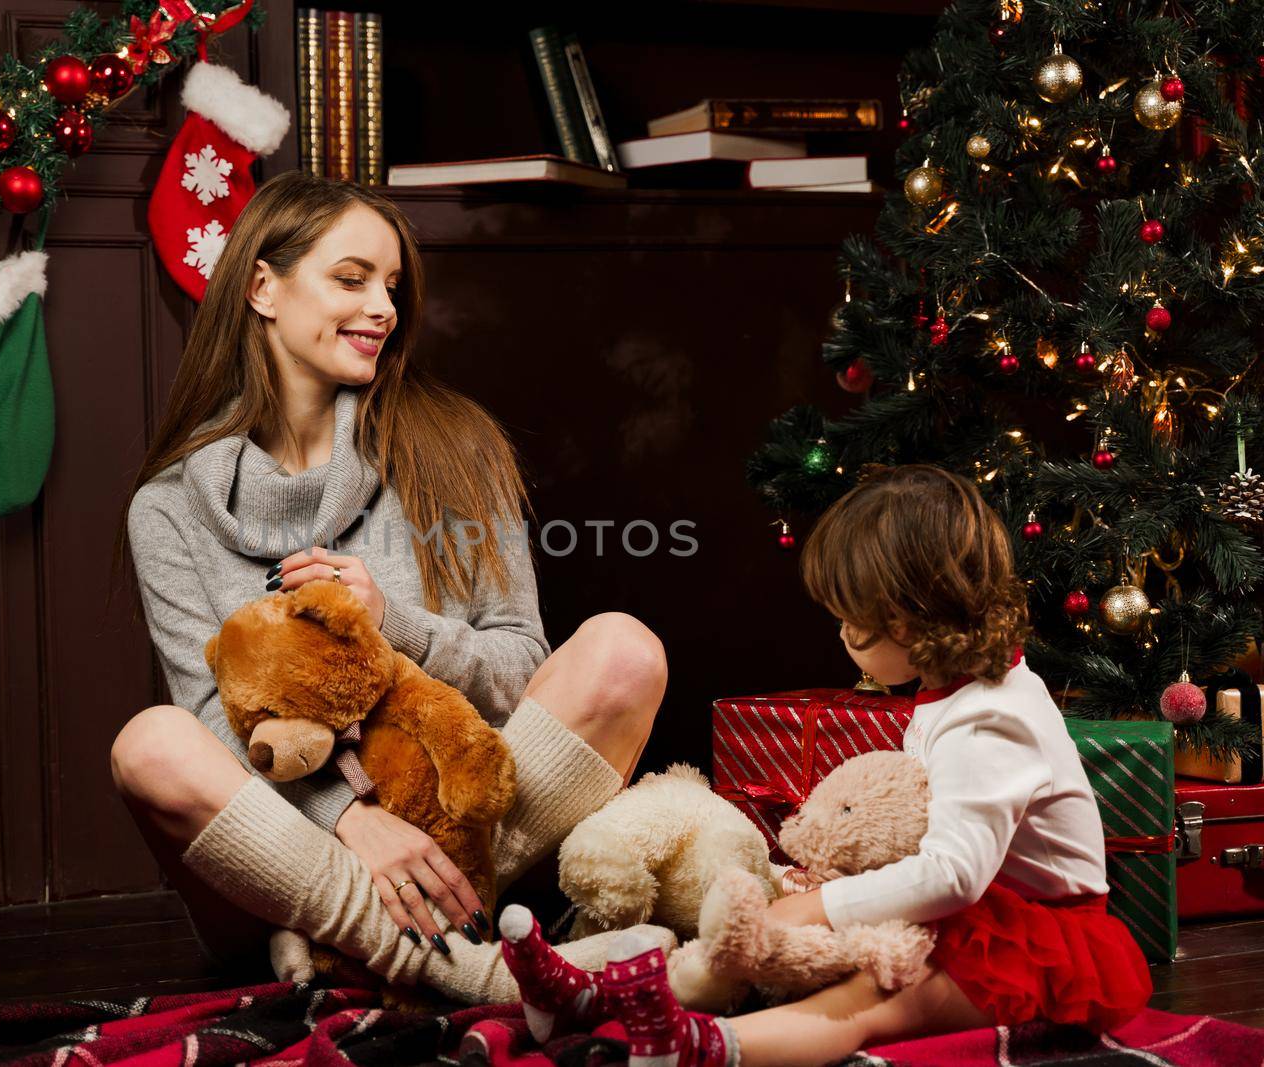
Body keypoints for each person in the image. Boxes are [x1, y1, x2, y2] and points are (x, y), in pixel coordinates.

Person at [109, 171, 673, 1004]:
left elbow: (523, 666)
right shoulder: (165, 510)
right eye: (351, 278)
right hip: (285, 859)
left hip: (465, 825)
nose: (384, 308)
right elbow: (208, 720)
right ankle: (489, 974)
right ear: (263, 286)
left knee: (626, 649)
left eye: (392, 286)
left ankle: (376, 944)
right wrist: (349, 816)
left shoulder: (454, 446)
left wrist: (394, 622)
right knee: (149, 743)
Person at [493, 465, 1151, 1065]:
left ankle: (706, 1046)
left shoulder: (990, 719)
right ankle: (599, 998)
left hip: (1036, 941)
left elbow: (954, 874)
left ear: (913, 620)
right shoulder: (956, 688)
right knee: (750, 931)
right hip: (973, 911)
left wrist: (819, 907)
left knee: (869, 1001)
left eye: (854, 624)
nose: (841, 637)